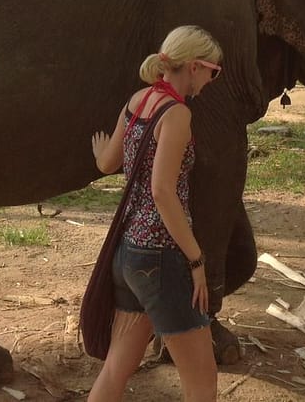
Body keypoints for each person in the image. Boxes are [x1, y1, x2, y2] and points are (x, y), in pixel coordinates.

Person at [87, 25, 224, 402]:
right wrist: (196, 259)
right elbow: (163, 192)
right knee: (201, 381)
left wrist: (99, 152)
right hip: (163, 257)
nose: (211, 81)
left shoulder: (136, 102)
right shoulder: (176, 115)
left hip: (129, 253)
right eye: (213, 71)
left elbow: (108, 163)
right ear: (194, 67)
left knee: (117, 367)